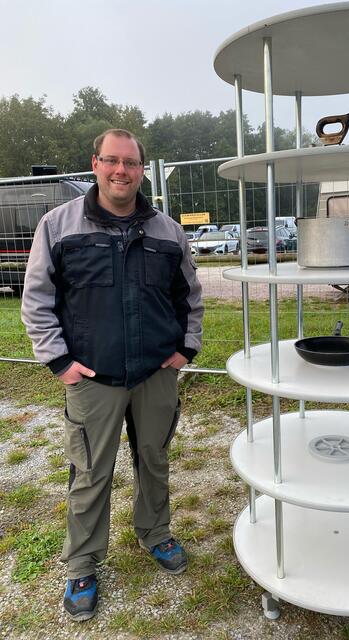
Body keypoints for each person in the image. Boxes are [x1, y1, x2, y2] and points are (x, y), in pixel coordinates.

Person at [21, 129, 203, 621]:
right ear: (95, 164)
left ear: (142, 169)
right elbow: (36, 300)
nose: (121, 170)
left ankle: (156, 534)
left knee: (154, 459)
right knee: (90, 472)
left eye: (131, 162)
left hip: (155, 373)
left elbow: (189, 296)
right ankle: (82, 564)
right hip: (92, 378)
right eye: (112, 161)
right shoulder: (58, 225)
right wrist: (59, 361)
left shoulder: (167, 231)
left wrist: (186, 347)